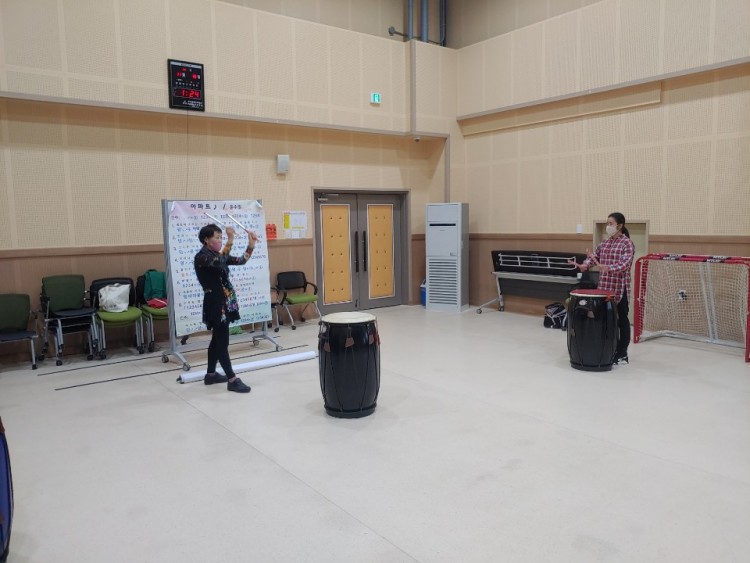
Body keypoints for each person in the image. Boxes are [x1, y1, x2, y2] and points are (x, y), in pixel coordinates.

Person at [194, 223, 259, 392]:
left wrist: (251, 244)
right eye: (217, 237)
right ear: (206, 239)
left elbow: (241, 260)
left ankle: (211, 375)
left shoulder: (218, 255)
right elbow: (220, 261)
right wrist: (230, 240)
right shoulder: (202, 257)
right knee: (222, 341)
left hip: (226, 301)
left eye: (221, 237)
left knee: (217, 339)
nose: (220, 240)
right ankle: (232, 379)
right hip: (216, 303)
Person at [571, 212, 635, 365]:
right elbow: (593, 257)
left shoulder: (627, 243)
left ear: (620, 226)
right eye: (607, 223)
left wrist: (608, 268)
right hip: (604, 289)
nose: (608, 226)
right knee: (605, 320)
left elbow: (625, 264)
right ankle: (606, 349)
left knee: (622, 321)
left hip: (619, 288)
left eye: (611, 224)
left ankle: (622, 354)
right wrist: (584, 265)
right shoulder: (604, 243)